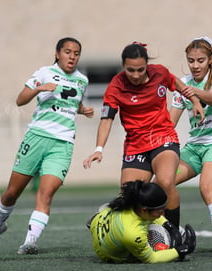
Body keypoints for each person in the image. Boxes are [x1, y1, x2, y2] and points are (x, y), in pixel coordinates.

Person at [0, 37, 94, 255]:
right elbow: (20, 101)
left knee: (46, 193)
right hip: (37, 138)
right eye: (68, 52)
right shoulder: (43, 72)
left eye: (76, 53)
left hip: (63, 143)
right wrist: (40, 88)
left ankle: (29, 242)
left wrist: (83, 110)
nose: (72, 56)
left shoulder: (82, 80)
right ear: (58, 53)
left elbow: (69, 103)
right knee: (12, 193)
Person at [83, 42, 205, 228]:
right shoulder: (116, 86)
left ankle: (173, 235)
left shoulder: (160, 73)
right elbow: (106, 119)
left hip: (163, 138)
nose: (136, 75)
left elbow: (179, 85)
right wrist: (98, 149)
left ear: (147, 65)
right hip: (135, 145)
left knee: (165, 181)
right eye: (130, 70)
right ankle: (110, 214)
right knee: (129, 196)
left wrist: (195, 101)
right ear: (123, 66)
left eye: (140, 69)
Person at [169, 36, 212, 259]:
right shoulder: (183, 83)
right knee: (162, 184)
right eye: (191, 60)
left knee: (206, 187)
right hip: (194, 149)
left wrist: (188, 90)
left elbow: (210, 98)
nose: (195, 65)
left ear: (209, 60)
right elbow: (170, 123)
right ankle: (173, 234)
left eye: (200, 60)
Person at [87, 180, 196, 263]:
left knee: (107, 207)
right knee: (159, 236)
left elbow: (156, 216)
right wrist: (181, 249)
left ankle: (95, 220)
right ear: (145, 209)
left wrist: (168, 225)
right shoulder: (133, 234)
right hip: (109, 255)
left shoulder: (132, 202)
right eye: (160, 211)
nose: (163, 213)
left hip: (101, 221)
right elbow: (151, 258)